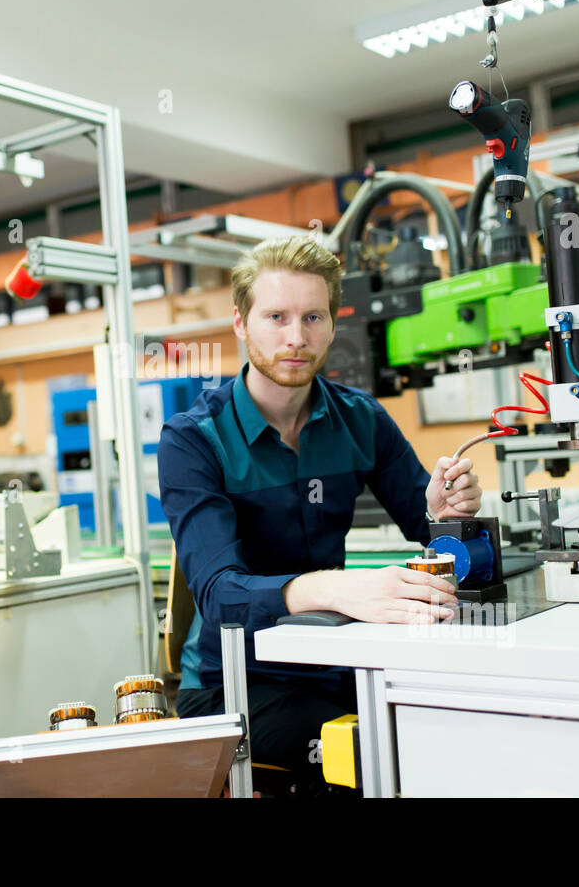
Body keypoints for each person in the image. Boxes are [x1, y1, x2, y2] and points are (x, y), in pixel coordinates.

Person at [158, 235, 482, 795]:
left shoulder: (361, 420)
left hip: (337, 664)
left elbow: (432, 532)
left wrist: (446, 513)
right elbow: (221, 596)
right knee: (372, 759)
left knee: (452, 729)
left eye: (313, 317)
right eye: (276, 316)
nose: (295, 337)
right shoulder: (193, 441)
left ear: (333, 324)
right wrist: (339, 590)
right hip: (232, 683)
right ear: (240, 323)